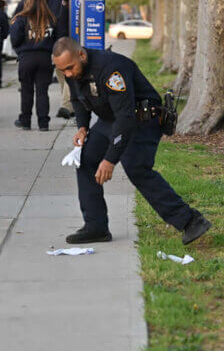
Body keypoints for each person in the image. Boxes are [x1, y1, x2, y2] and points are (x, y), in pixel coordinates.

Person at [52, 37, 212, 245]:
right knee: (85, 159)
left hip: (142, 119)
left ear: (81, 54)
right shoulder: (73, 70)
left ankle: (190, 221)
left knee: (136, 167)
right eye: (63, 71)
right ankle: (96, 227)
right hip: (112, 119)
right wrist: (82, 127)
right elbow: (77, 100)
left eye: (70, 68)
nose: (68, 74)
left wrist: (109, 159)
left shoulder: (111, 68)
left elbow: (126, 118)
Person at [10, 0, 66, 131]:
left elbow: (15, 39)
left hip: (26, 58)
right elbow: (59, 39)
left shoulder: (21, 19)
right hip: (45, 58)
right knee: (42, 91)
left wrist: (21, 52)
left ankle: (25, 121)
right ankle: (43, 122)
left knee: (26, 91)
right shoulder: (52, 19)